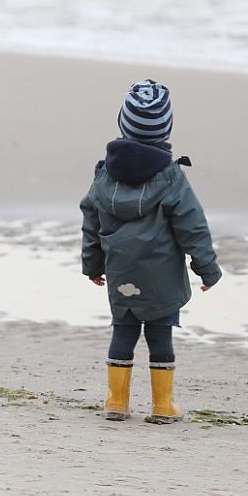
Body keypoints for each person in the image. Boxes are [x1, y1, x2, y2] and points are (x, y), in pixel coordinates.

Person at [80, 79, 221, 423]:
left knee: (123, 330)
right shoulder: (171, 178)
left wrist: (92, 264)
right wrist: (207, 268)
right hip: (161, 276)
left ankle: (116, 401)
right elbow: (193, 225)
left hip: (121, 272)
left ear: (122, 124)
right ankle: (162, 405)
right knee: (159, 333)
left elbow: (91, 221)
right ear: (165, 131)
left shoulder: (104, 176)